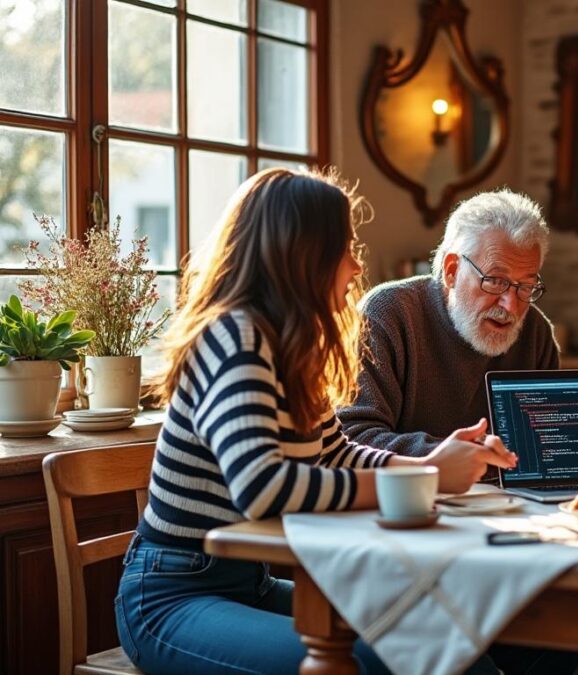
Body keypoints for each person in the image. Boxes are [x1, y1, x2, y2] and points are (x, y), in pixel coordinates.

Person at [114, 168, 518, 674]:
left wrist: (426, 466)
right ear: (300, 255)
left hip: (251, 584)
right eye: (344, 248)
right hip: (173, 595)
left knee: (450, 650)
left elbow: (336, 453)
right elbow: (263, 489)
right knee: (377, 663)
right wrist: (427, 479)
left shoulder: (292, 348)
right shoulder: (233, 338)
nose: (354, 266)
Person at [337, 189, 559, 463]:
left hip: (513, 504)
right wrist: (448, 458)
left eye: (525, 286)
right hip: (411, 499)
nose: (511, 306)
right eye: (495, 281)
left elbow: (548, 446)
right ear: (452, 270)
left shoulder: (536, 333)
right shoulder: (387, 314)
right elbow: (352, 436)